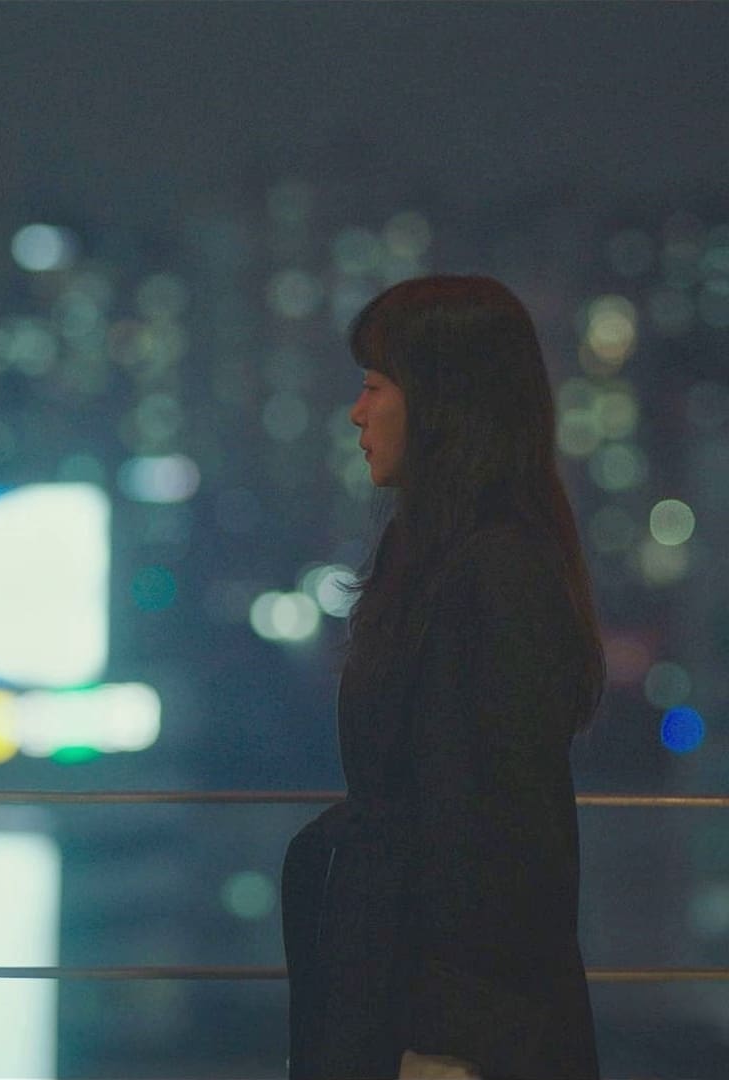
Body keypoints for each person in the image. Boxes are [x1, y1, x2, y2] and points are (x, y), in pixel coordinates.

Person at [281, 275, 604, 1079]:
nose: (356, 413)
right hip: (395, 997)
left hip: (448, 1033)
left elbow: (503, 837)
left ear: (442, 404)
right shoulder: (431, 555)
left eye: (374, 386)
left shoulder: (492, 572)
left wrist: (451, 1044)